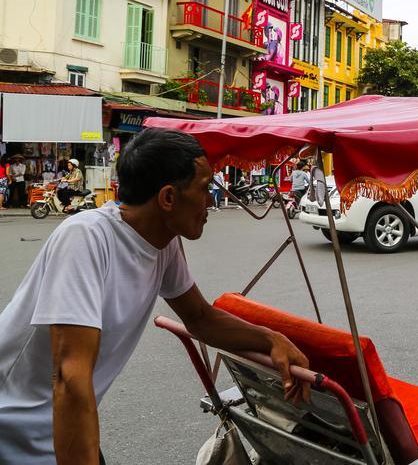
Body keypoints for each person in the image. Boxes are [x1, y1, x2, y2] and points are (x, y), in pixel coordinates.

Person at [0, 128, 310, 464]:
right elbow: (70, 377)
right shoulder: (85, 238)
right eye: (205, 189)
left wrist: (271, 340)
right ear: (167, 198)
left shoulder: (164, 243)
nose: (210, 201)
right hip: (12, 429)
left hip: (57, 428)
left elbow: (199, 318)